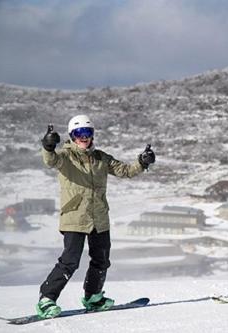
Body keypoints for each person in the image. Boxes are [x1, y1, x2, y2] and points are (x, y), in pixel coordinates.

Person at [36, 114, 155, 318]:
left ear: (92, 135)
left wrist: (142, 163)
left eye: (87, 133)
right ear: (72, 136)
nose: (84, 137)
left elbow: (125, 171)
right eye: (79, 133)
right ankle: (46, 299)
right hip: (75, 217)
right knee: (70, 261)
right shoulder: (65, 157)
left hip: (99, 218)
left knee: (101, 260)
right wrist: (47, 146)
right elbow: (50, 160)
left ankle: (93, 297)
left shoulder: (101, 158)